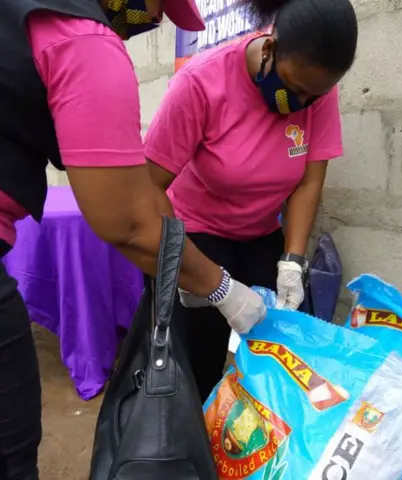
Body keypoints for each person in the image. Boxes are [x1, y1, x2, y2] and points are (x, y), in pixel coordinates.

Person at [0, 0, 285, 477]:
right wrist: (221, 288)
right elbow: (127, 222)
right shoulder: (84, 38)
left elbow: (142, 198)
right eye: (158, 5)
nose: (153, 20)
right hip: (209, 249)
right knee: (11, 443)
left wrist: (178, 247)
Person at [144, 0, 358, 402]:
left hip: (262, 233)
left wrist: (293, 261)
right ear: (271, 45)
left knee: (271, 354)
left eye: (313, 96)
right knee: (199, 361)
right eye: (294, 89)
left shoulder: (317, 91)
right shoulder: (201, 83)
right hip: (197, 231)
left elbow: (309, 181)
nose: (300, 104)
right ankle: (197, 451)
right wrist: (187, 265)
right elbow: (149, 186)